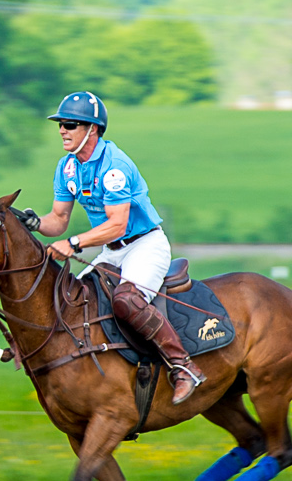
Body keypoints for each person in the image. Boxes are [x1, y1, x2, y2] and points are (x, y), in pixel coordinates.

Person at [33, 91, 203, 404]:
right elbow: (57, 219)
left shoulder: (114, 167)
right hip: (111, 251)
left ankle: (183, 366)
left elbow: (118, 225)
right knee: (69, 298)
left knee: (126, 300)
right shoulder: (68, 167)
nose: (62, 130)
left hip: (144, 245)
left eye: (70, 124)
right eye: (60, 124)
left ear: (92, 129)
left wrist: (74, 243)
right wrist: (32, 222)